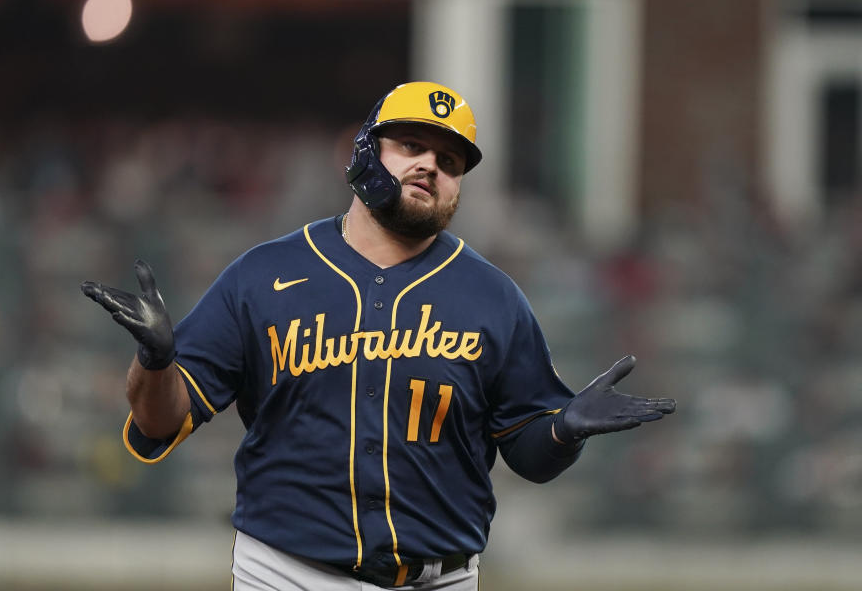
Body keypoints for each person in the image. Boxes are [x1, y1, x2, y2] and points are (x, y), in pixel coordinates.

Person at [81, 81, 676, 590]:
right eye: (412, 146)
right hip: (289, 573)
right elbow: (159, 424)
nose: (430, 167)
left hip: (443, 576)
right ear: (366, 153)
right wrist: (154, 362)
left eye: (449, 162)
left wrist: (564, 432)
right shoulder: (261, 276)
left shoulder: (494, 298)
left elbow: (530, 456)